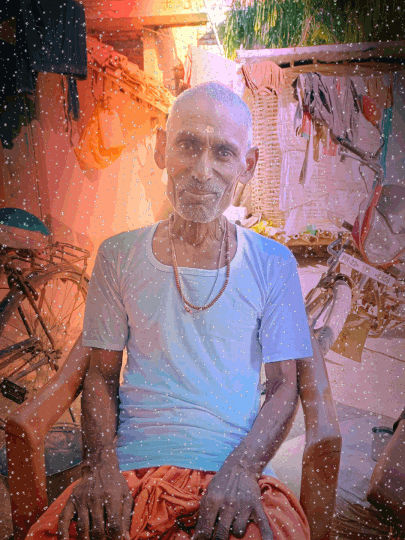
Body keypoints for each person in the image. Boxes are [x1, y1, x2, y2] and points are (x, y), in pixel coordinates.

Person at [28, 82, 313, 540]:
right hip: (132, 467)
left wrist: (243, 469)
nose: (202, 171)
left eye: (223, 152)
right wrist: (100, 465)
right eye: (188, 145)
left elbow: (284, 387)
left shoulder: (273, 262)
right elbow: (100, 374)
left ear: (248, 165)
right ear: (162, 149)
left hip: (233, 469)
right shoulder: (118, 255)